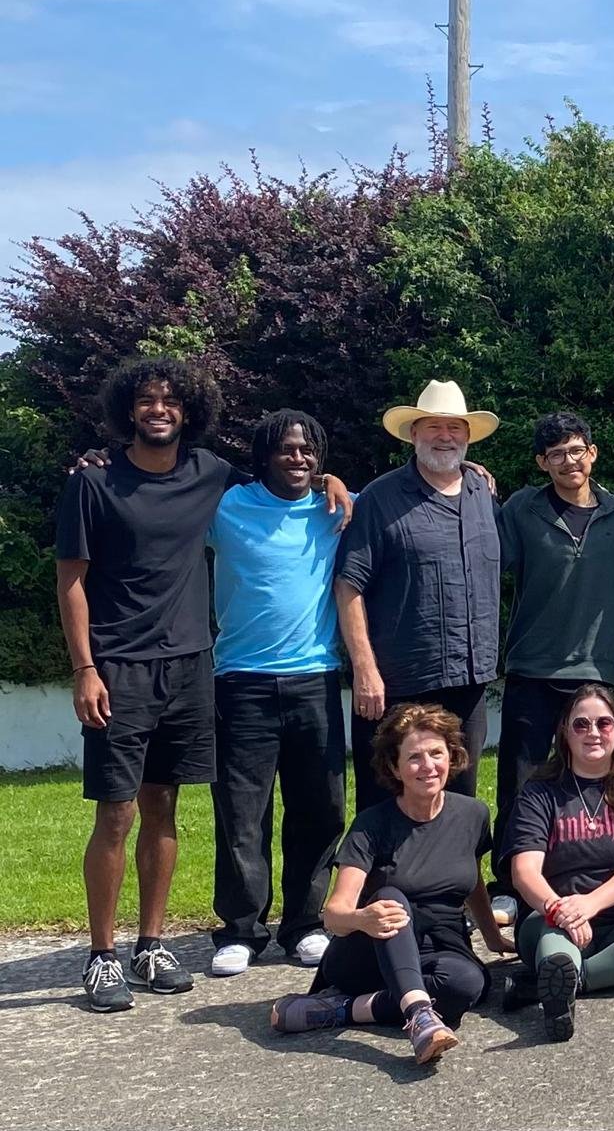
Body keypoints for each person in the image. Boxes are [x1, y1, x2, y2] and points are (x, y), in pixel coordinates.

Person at [55, 357, 350, 1013]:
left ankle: (156, 944)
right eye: (147, 400)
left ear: (189, 410)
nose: (159, 409)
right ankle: (108, 954)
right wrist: (84, 667)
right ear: (128, 409)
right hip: (135, 668)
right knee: (126, 812)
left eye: (170, 400)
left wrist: (332, 475)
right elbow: (70, 578)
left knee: (170, 807)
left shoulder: (211, 475)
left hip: (197, 669)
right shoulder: (101, 481)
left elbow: (290, 476)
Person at [268, 704, 513, 1064]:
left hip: (439, 945)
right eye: (414, 757)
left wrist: (492, 938)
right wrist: (363, 918)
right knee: (390, 899)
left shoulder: (473, 814)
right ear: (394, 767)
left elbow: (473, 879)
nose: (428, 766)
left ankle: (340, 1009)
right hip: (370, 950)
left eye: (436, 754)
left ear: (452, 757)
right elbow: (334, 915)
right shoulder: (372, 824)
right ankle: (418, 1015)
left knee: (466, 984)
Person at [208, 411, 348, 978]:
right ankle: (242, 929)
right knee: (243, 812)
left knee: (320, 808)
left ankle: (305, 925)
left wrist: (477, 471)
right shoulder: (225, 508)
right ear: (265, 454)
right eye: (288, 450)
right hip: (240, 679)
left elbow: (409, 492)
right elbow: (160, 498)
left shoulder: (337, 506)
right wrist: (100, 462)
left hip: (317, 678)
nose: (299, 459)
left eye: (309, 451)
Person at [492, 412, 614, 924]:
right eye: (556, 455)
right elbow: (484, 560)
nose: (568, 462)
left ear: (592, 453)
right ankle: (508, 882)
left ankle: (602, 874)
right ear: (541, 462)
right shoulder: (521, 509)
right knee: (521, 778)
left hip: (594, 670)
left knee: (599, 779)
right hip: (532, 663)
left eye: (577, 450)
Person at [335, 379, 502, 812]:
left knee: (460, 802)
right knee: (386, 800)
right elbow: (348, 584)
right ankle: (379, 882)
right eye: (434, 427)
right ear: (414, 434)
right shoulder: (380, 498)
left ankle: (457, 882)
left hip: (469, 680)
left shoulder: (482, 491)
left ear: (467, 436)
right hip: (397, 682)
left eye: (455, 428)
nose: (445, 437)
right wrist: (364, 669)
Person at [501, 685, 614, 1041]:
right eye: (581, 724)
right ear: (564, 732)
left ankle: (557, 985)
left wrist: (590, 904)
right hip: (551, 920)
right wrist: (561, 911)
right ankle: (558, 976)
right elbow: (524, 872)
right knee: (556, 949)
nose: (593, 732)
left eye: (604, 723)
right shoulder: (540, 791)